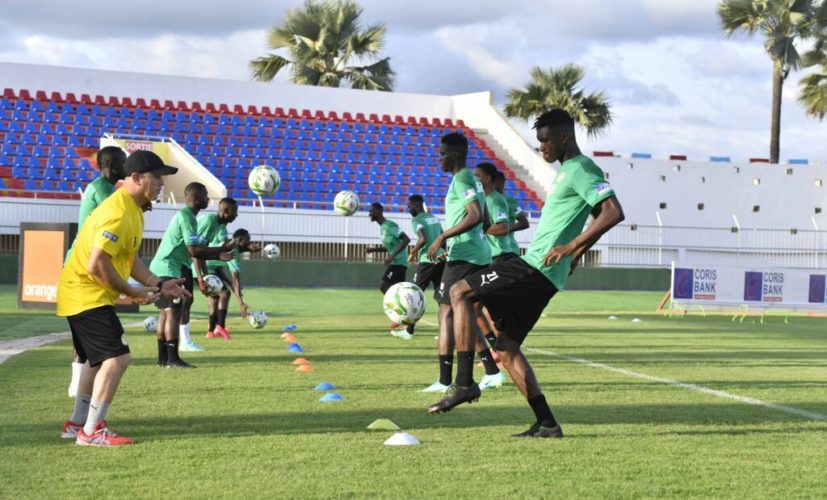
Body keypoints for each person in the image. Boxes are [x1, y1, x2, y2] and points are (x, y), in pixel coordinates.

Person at [430, 109, 625, 440]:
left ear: (563, 136)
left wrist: (571, 246)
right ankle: (547, 423)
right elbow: (596, 214)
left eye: (545, 140)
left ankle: (464, 384)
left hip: (536, 266)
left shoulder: (582, 169)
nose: (541, 147)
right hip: (547, 273)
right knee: (506, 346)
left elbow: (612, 212)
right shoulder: (567, 172)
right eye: (539, 141)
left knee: (459, 292)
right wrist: (577, 252)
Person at [58, 150, 190, 446]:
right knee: (118, 358)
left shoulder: (133, 209)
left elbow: (128, 259)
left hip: (82, 292)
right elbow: (96, 265)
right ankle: (91, 431)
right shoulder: (118, 211)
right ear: (137, 178)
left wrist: (158, 283)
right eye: (157, 177)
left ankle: (77, 424)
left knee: (97, 360)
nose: (161, 184)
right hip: (85, 293)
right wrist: (131, 292)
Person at [421, 132, 497, 394]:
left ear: (454, 155)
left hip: (464, 257)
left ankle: (445, 381)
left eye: (442, 154)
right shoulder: (473, 180)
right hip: (478, 254)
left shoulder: (463, 178)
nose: (439, 158)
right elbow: (486, 220)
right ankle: (491, 371)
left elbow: (475, 216)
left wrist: (443, 237)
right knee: (467, 315)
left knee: (446, 313)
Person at [149, 182, 233, 367]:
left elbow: (197, 251)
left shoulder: (188, 216)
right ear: (195, 198)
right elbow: (194, 250)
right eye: (205, 195)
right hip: (169, 268)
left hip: (161, 267)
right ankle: (173, 359)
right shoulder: (188, 216)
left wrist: (216, 255)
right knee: (173, 313)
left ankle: (162, 359)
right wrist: (220, 251)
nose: (208, 199)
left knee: (165, 314)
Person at [67, 146, 127, 398]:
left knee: (86, 331)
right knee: (92, 331)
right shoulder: (103, 190)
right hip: (83, 267)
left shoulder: (104, 188)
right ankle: (77, 385)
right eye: (123, 162)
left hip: (82, 263)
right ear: (111, 165)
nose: (126, 167)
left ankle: (77, 384)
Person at [189, 197, 242, 343]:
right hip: (189, 265)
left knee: (214, 297)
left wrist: (206, 275)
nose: (236, 215)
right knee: (223, 293)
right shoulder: (209, 221)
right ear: (225, 211)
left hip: (202, 265)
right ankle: (219, 327)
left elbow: (203, 251)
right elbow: (195, 251)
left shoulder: (219, 225)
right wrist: (202, 277)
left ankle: (211, 331)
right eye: (234, 212)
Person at [365, 202, 412, 334]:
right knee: (398, 292)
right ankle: (404, 319)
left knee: (384, 286)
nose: (369, 214)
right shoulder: (382, 228)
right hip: (396, 262)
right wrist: (373, 250)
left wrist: (392, 256)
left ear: (379, 212)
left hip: (399, 262)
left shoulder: (390, 225)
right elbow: (390, 246)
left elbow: (406, 240)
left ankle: (400, 314)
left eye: (371, 211)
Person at [404, 194, 445, 340]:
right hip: (441, 259)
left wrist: (412, 253)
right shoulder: (434, 218)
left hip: (427, 260)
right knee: (441, 296)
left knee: (415, 293)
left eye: (409, 206)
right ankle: (445, 332)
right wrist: (442, 252)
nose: (408, 208)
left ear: (416, 205)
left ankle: (409, 331)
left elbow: (422, 239)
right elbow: (443, 237)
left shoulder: (417, 220)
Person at [493, 170, 530, 255]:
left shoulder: (508, 200)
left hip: (508, 250)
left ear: (502, 183)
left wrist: (503, 229)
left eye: (494, 182)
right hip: (493, 250)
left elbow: (524, 223)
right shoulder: (488, 200)